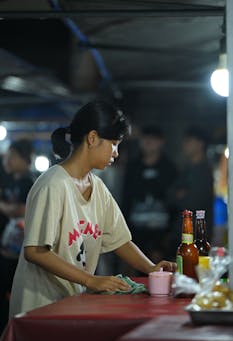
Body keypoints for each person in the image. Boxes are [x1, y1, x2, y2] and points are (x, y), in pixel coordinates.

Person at [9, 101, 176, 318]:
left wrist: (152, 269)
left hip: (70, 301)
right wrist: (91, 280)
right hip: (38, 305)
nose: (116, 153)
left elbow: (120, 240)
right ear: (92, 138)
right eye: (114, 144)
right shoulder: (53, 184)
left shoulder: (96, 187)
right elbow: (36, 251)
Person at [121, 125, 177, 265]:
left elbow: (175, 203)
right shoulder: (133, 167)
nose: (148, 142)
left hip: (162, 232)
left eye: (153, 139)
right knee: (136, 271)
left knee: (159, 273)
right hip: (135, 231)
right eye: (145, 138)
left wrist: (169, 235)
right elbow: (125, 199)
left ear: (161, 142)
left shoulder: (169, 169)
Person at [0, 139, 34, 334]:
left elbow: (20, 210)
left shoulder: (28, 182)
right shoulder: (12, 181)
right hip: (8, 250)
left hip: (19, 253)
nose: (7, 160)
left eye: (12, 156)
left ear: (23, 159)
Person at [167, 126, 214, 256]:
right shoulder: (187, 169)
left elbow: (192, 203)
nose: (184, 145)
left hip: (197, 237)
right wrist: (180, 195)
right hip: (181, 233)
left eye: (188, 141)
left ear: (200, 144)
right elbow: (169, 196)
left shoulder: (204, 171)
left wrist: (181, 195)